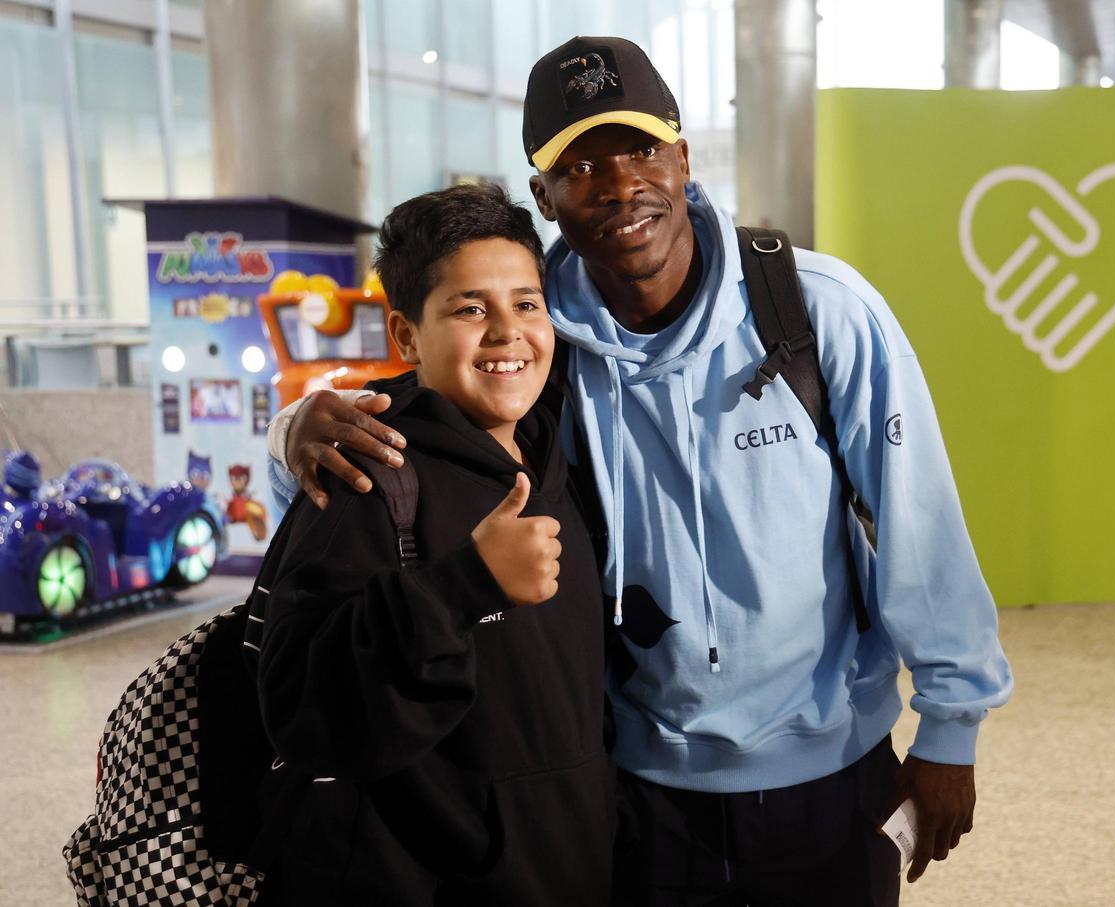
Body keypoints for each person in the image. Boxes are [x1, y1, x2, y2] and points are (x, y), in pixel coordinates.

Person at [267, 36, 1013, 906]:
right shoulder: (545, 340)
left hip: (831, 775)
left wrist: (951, 729)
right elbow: (429, 409)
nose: (620, 184)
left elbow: (919, 524)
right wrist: (294, 429)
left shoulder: (816, 311)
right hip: (640, 795)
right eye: (579, 166)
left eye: (640, 148)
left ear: (683, 158)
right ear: (545, 198)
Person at [255, 183, 615, 906]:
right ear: (406, 336)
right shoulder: (367, 472)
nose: (507, 331)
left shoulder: (559, 457)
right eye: (469, 307)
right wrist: (464, 585)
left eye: (526, 302)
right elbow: (301, 708)